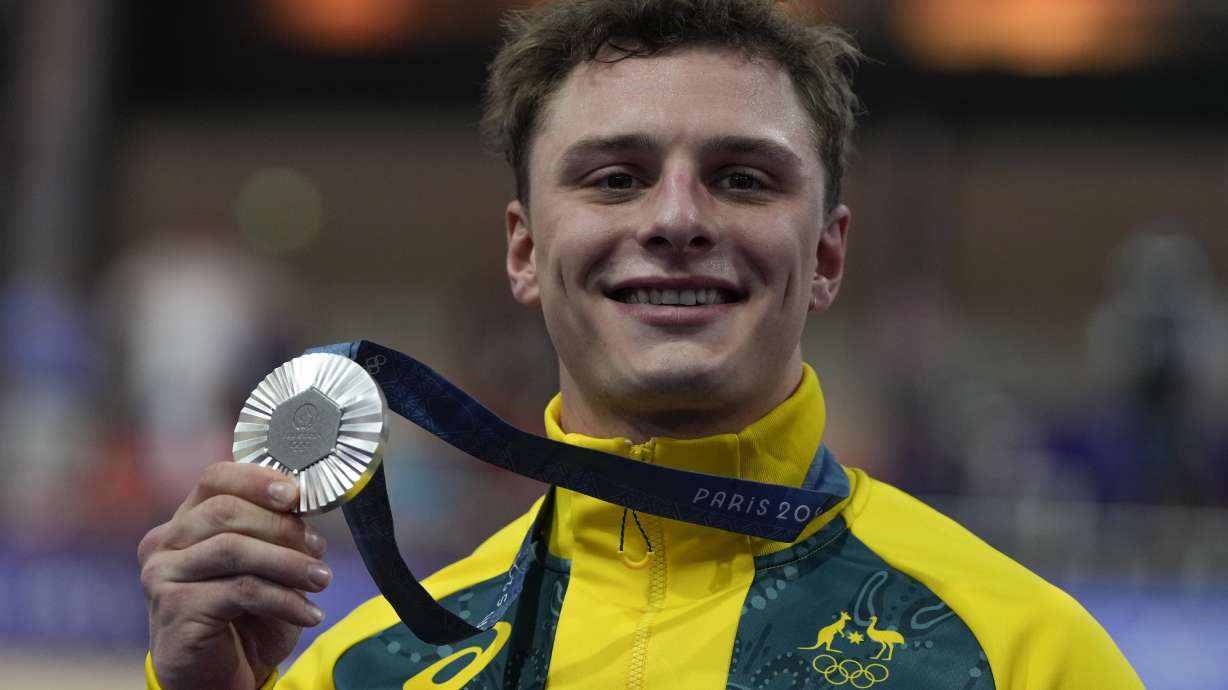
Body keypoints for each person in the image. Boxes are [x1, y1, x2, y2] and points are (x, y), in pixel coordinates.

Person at [139, 1, 1143, 688]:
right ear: (525, 251)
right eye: (614, 177)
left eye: (743, 177)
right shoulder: (363, 670)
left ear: (828, 254)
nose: (675, 218)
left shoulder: (1020, 655)